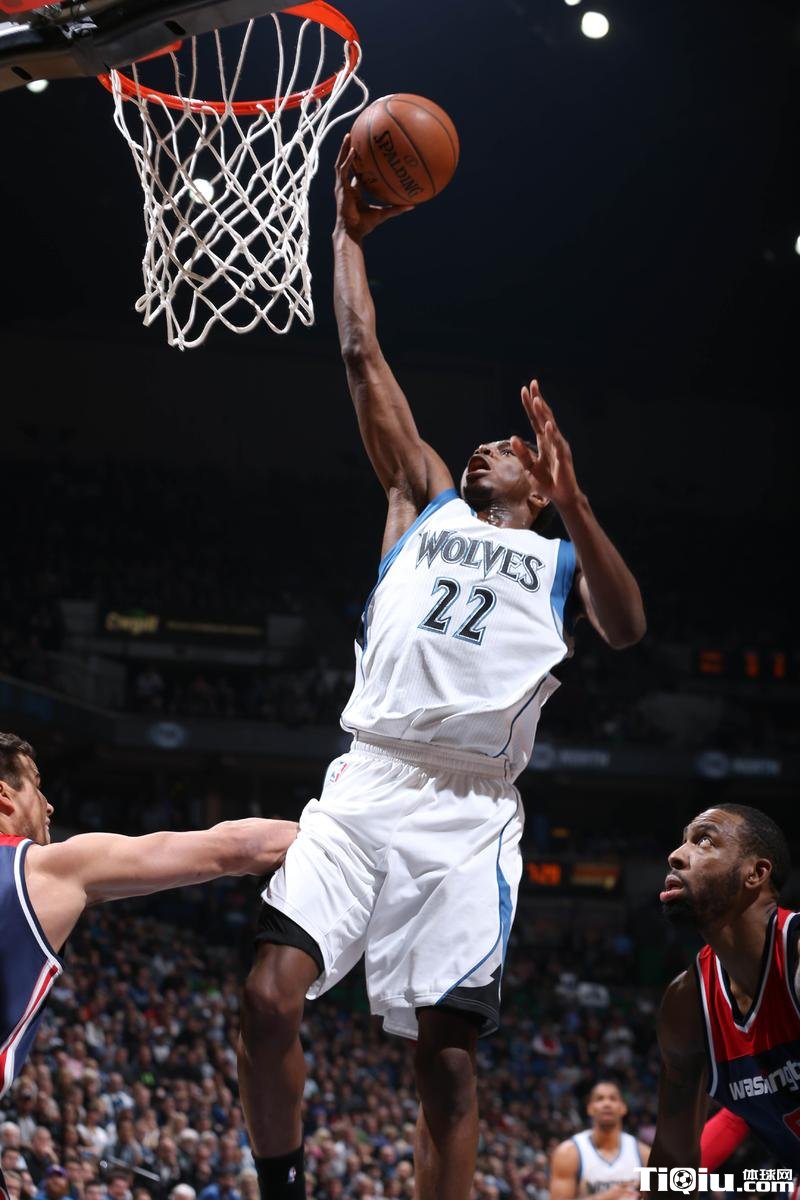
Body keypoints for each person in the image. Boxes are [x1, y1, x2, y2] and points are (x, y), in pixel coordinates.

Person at [235, 134, 647, 1200]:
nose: (485, 448)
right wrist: (346, 236)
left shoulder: (562, 556)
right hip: (368, 778)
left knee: (447, 1065)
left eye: (508, 448)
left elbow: (624, 627)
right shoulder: (420, 504)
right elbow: (360, 354)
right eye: (484, 444)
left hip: (468, 810)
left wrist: (578, 502)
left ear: (541, 483)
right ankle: (279, 1187)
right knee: (269, 999)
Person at [0, 729, 297, 1200]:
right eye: (36, 785)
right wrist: (340, 832)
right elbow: (233, 848)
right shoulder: (42, 870)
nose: (50, 805)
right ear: (4, 794)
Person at [648, 804, 799, 1175]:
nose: (676, 855)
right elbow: (673, 1161)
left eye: (703, 841)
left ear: (755, 873)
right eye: (682, 841)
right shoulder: (686, 1005)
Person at [549, 1080, 651, 1199]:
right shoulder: (568, 1153)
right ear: (590, 1108)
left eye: (613, 1099)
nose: (607, 1104)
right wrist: (606, 1197)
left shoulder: (644, 1154)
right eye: (599, 1099)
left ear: (623, 1108)